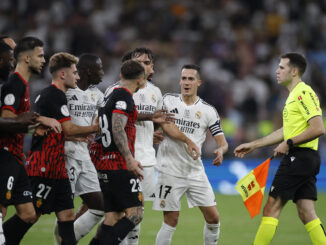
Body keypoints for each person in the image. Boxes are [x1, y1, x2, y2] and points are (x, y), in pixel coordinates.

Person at [234, 53, 326, 245]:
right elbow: (286, 131)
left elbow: (318, 128)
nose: (276, 70)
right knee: (306, 212)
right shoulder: (294, 95)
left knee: (271, 208)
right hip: (305, 159)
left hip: (299, 157)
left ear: (294, 71)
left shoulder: (303, 92)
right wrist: (254, 144)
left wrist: (290, 143)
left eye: (282, 67)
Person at [25, 52, 100, 244]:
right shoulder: (56, 95)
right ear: (63, 74)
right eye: (74, 73)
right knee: (29, 215)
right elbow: (66, 127)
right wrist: (94, 128)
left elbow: (59, 128)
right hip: (46, 164)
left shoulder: (58, 94)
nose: (77, 77)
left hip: (60, 165)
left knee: (68, 215)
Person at [153, 64, 228, 245]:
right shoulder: (168, 100)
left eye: (191, 79)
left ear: (198, 82)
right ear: (179, 81)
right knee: (171, 221)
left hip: (195, 171)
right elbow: (165, 126)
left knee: (213, 218)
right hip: (169, 169)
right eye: (184, 78)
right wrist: (187, 140)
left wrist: (221, 150)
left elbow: (222, 141)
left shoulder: (208, 110)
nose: (186, 82)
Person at [0, 36, 60, 245]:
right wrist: (28, 122)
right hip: (5, 155)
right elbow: (7, 118)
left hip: (17, 158)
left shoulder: (23, 85)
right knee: (1, 210)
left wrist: (38, 120)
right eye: (40, 56)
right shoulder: (14, 84)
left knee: (28, 214)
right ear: (26, 58)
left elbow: (20, 118)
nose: (44, 60)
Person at [53, 53, 105, 244]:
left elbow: (109, 119)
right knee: (61, 207)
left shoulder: (97, 95)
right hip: (66, 153)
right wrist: (74, 133)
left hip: (85, 154)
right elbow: (57, 122)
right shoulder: (66, 91)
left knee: (100, 205)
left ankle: (64, 236)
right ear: (88, 70)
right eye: (100, 68)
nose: (103, 73)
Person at [94, 60, 146, 245]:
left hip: (105, 163)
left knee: (113, 217)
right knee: (135, 214)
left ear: (120, 76)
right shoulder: (124, 97)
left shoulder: (109, 97)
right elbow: (117, 127)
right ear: (140, 80)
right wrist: (129, 159)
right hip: (118, 164)